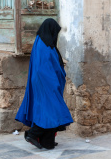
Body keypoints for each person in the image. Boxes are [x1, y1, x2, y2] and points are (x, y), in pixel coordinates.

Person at [15, 18, 73, 149]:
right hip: (46, 82)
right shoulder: (43, 45)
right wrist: (54, 83)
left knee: (48, 109)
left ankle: (47, 141)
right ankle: (32, 134)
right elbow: (44, 68)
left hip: (47, 81)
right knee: (50, 109)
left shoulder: (44, 42)